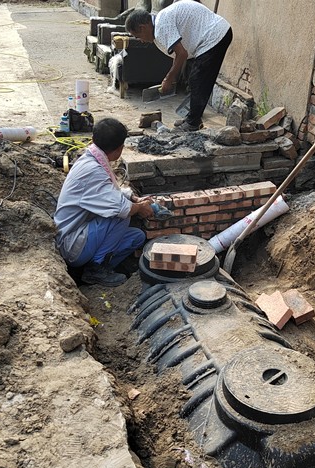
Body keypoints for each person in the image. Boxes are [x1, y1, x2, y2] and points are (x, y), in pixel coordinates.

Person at [54, 118, 155, 287]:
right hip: (71, 244)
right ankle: (95, 269)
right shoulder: (92, 170)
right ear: (119, 149)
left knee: (137, 237)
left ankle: (88, 270)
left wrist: (133, 198)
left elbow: (106, 193)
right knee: (122, 216)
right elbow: (122, 209)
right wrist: (139, 208)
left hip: (83, 236)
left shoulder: (92, 159)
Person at [125, 2, 232, 132]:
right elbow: (178, 54)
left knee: (198, 79)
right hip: (208, 37)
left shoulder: (161, 26)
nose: (141, 40)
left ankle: (192, 123)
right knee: (193, 79)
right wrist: (173, 76)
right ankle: (193, 118)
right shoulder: (160, 23)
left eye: (138, 37)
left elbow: (182, 54)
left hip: (215, 35)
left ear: (142, 27)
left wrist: (169, 78)